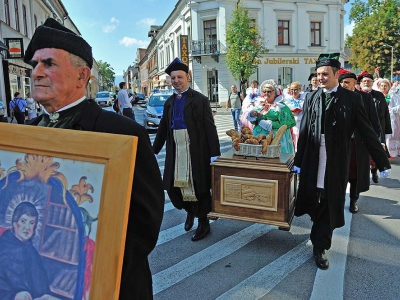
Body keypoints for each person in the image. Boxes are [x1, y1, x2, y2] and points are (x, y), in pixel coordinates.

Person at [23, 18, 164, 300]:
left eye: (48, 63)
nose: (36, 72)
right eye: (34, 65)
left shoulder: (122, 133)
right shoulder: (24, 136)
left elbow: (145, 223)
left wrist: (93, 274)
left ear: (81, 76)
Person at [293, 53, 391, 270]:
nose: (320, 78)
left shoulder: (352, 99)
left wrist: (382, 161)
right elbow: (304, 131)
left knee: (330, 200)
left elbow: (366, 131)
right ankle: (318, 231)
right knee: (313, 198)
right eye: (318, 74)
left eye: (325, 74)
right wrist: (299, 160)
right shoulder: (312, 97)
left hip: (336, 160)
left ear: (337, 74)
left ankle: (320, 245)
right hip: (313, 157)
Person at [153, 57, 220, 241]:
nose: (176, 81)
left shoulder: (200, 100)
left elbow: (210, 128)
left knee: (199, 187)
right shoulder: (169, 102)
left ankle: (203, 222)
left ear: (187, 77)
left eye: (179, 77)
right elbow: (163, 128)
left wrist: (215, 154)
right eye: (173, 78)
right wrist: (154, 150)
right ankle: (189, 210)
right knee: (175, 186)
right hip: (176, 151)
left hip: (196, 151)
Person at [338, 70, 381, 213]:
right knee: (339, 173)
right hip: (340, 143)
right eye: (342, 82)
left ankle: (353, 200)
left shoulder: (365, 98)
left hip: (358, 143)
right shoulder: (335, 97)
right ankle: (338, 200)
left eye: (347, 82)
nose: (344, 85)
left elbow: (374, 122)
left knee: (355, 173)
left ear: (354, 84)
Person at [0, 202, 50, 300]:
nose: (27, 227)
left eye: (31, 223)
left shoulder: (33, 253)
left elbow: (42, 288)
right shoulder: (2, 248)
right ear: (15, 223)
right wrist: (13, 297)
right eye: (23, 221)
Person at [358, 72, 392, 182]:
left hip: (376, 128)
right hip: (361, 130)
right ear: (361, 83)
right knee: (363, 154)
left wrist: (387, 130)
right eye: (365, 81)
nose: (366, 82)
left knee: (376, 151)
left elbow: (385, 114)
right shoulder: (356, 95)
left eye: (369, 81)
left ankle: (374, 170)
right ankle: (364, 174)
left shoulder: (378, 95)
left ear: (373, 83)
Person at [247, 80, 296, 154]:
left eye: (269, 91)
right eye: (264, 91)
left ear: (275, 92)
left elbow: (287, 123)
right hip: (259, 137)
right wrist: (252, 115)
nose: (266, 93)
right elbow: (254, 121)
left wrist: (270, 124)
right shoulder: (260, 105)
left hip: (275, 138)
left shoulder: (281, 106)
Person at [376, 78, 400, 157]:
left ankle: (390, 153)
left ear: (389, 87)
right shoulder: (376, 96)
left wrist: (390, 110)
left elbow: (398, 107)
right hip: (380, 119)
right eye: (382, 86)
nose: (383, 87)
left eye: (385, 86)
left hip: (392, 118)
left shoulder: (393, 96)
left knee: (391, 136)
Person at [283, 81, 307, 151]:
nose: (294, 91)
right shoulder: (286, 101)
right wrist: (291, 112)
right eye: (292, 89)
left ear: (300, 89)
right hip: (291, 123)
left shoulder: (304, 100)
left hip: (301, 123)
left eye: (295, 89)